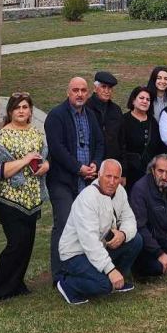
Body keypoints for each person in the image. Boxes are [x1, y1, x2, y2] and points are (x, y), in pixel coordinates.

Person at [53, 158, 144, 305]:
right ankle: (67, 284)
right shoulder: (88, 198)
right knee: (104, 285)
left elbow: (129, 219)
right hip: (76, 254)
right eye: (108, 176)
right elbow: (89, 242)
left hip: (99, 248)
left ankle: (117, 279)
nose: (112, 181)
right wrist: (110, 270)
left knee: (136, 240)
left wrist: (123, 234)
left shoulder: (120, 191)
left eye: (116, 178)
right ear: (99, 176)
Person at [44, 76, 104, 283]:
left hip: (87, 180)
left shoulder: (90, 115)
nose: (80, 94)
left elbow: (99, 142)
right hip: (63, 181)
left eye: (83, 90)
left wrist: (96, 163)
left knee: (87, 225)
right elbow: (57, 149)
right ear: (67, 92)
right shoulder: (56, 116)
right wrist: (79, 168)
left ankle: (81, 267)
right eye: (75, 90)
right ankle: (59, 274)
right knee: (64, 223)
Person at [0, 92, 47, 301]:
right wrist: (26, 160)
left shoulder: (36, 133)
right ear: (10, 112)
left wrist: (45, 165)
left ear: (31, 111)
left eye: (25, 107)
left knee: (27, 244)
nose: (22, 111)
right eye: (17, 108)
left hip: (31, 197)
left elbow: (44, 158)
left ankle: (17, 283)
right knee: (16, 243)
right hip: (9, 198)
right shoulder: (1, 137)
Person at [117, 86, 158, 185]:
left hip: (148, 174)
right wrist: (123, 173)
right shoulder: (123, 120)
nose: (145, 101)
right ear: (133, 100)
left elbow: (158, 147)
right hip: (128, 173)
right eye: (141, 98)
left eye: (148, 99)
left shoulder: (153, 122)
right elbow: (119, 148)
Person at [90, 70, 125, 161]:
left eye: (109, 88)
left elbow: (121, 139)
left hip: (112, 161)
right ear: (95, 88)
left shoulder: (116, 110)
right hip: (91, 161)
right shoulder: (86, 108)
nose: (107, 91)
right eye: (103, 87)